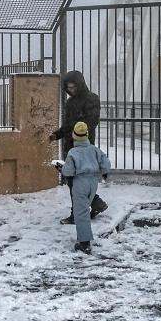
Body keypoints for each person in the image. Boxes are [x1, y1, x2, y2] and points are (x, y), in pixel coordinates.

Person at [48, 70, 108, 224]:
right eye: (69, 88)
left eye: (74, 87)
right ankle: (96, 203)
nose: (71, 91)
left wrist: (74, 128)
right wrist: (58, 134)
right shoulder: (70, 102)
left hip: (84, 146)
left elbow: (91, 122)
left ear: (80, 85)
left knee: (77, 182)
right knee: (74, 181)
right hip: (70, 146)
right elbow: (68, 125)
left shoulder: (91, 99)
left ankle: (77, 214)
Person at [60, 121, 111, 254]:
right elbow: (105, 162)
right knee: (85, 207)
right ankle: (83, 237)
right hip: (93, 182)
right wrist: (104, 172)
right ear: (87, 135)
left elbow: (68, 171)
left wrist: (62, 169)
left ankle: (84, 243)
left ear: (74, 136)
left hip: (80, 182)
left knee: (81, 213)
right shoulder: (94, 149)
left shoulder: (73, 152)